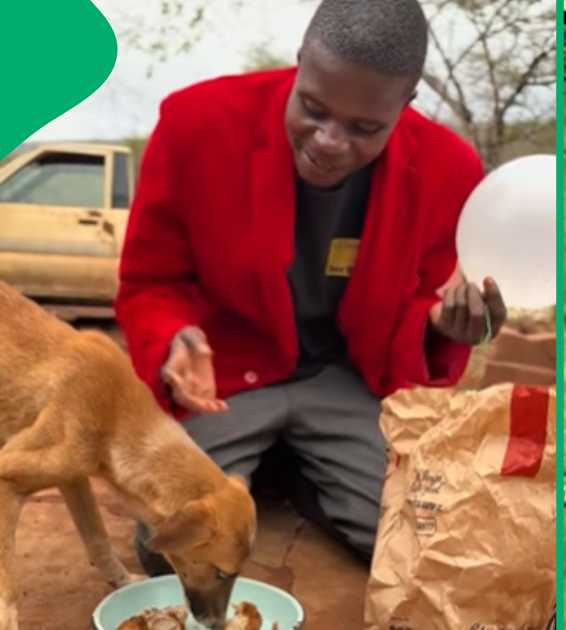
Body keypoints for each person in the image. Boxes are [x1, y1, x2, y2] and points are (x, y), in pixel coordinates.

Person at [115, 0, 507, 573]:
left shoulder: (449, 169)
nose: (328, 140)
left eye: (364, 128)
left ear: (407, 103)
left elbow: (423, 298)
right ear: (300, 62)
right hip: (227, 375)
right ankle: (273, 456)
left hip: (346, 378)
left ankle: (295, 470)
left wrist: (442, 324)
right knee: (174, 546)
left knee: (416, 541)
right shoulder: (197, 124)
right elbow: (150, 281)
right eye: (313, 107)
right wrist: (175, 339)